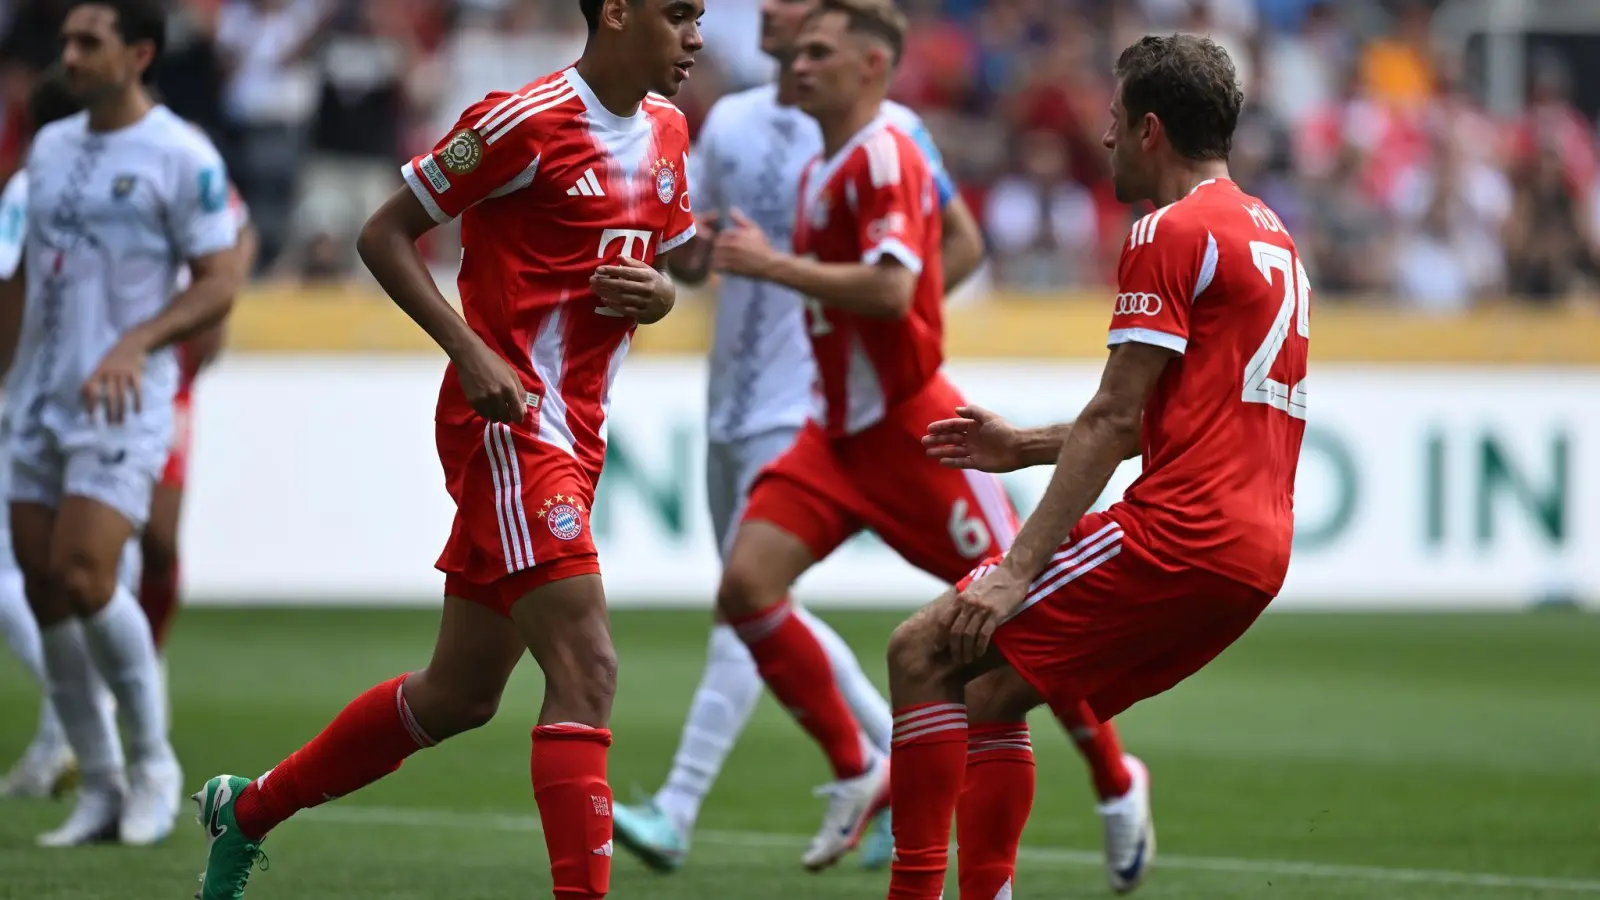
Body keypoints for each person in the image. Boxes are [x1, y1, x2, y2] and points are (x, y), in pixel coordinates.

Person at [190, 0, 702, 897]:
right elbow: (381, 232)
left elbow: (671, 264)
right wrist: (469, 348)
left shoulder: (667, 130)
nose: (696, 35)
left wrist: (660, 294)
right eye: (680, 14)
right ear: (616, 12)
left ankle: (249, 809)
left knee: (460, 694)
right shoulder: (521, 121)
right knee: (589, 668)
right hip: (507, 424)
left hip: (577, 432)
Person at [700, 0, 1148, 873]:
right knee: (746, 588)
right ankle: (857, 763)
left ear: (869, 64)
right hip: (835, 437)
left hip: (920, 437)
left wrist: (777, 268)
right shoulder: (816, 169)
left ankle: (1114, 778)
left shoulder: (889, 152)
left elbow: (898, 289)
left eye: (816, 50)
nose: (794, 60)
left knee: (1007, 639)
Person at [885, 34, 1308, 898]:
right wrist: (1026, 446)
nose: (1105, 139)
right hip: (1256, 551)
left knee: (922, 651)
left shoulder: (1168, 229)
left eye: (1114, 122)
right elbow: (1183, 418)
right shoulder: (1269, 232)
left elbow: (1117, 416)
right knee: (995, 692)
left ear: (1150, 129)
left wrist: (1015, 568)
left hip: (1182, 535)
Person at [609, 0, 989, 873]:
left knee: (745, 598)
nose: (770, 16)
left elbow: (946, 247)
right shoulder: (733, 120)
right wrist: (692, 253)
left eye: (794, 9)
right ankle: (886, 761)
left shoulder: (890, 132)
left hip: (807, 403)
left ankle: (681, 803)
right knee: (747, 602)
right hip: (727, 399)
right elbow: (690, 256)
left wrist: (898, 323)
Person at [5, 0, 243, 847]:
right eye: (67, 40)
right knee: (42, 589)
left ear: (139, 53)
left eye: (88, 42)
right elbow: (25, 281)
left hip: (125, 398)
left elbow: (219, 277)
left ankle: (153, 765)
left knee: (86, 573)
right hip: (39, 401)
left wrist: (138, 344)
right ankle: (100, 785)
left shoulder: (183, 155)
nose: (68, 55)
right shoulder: (50, 147)